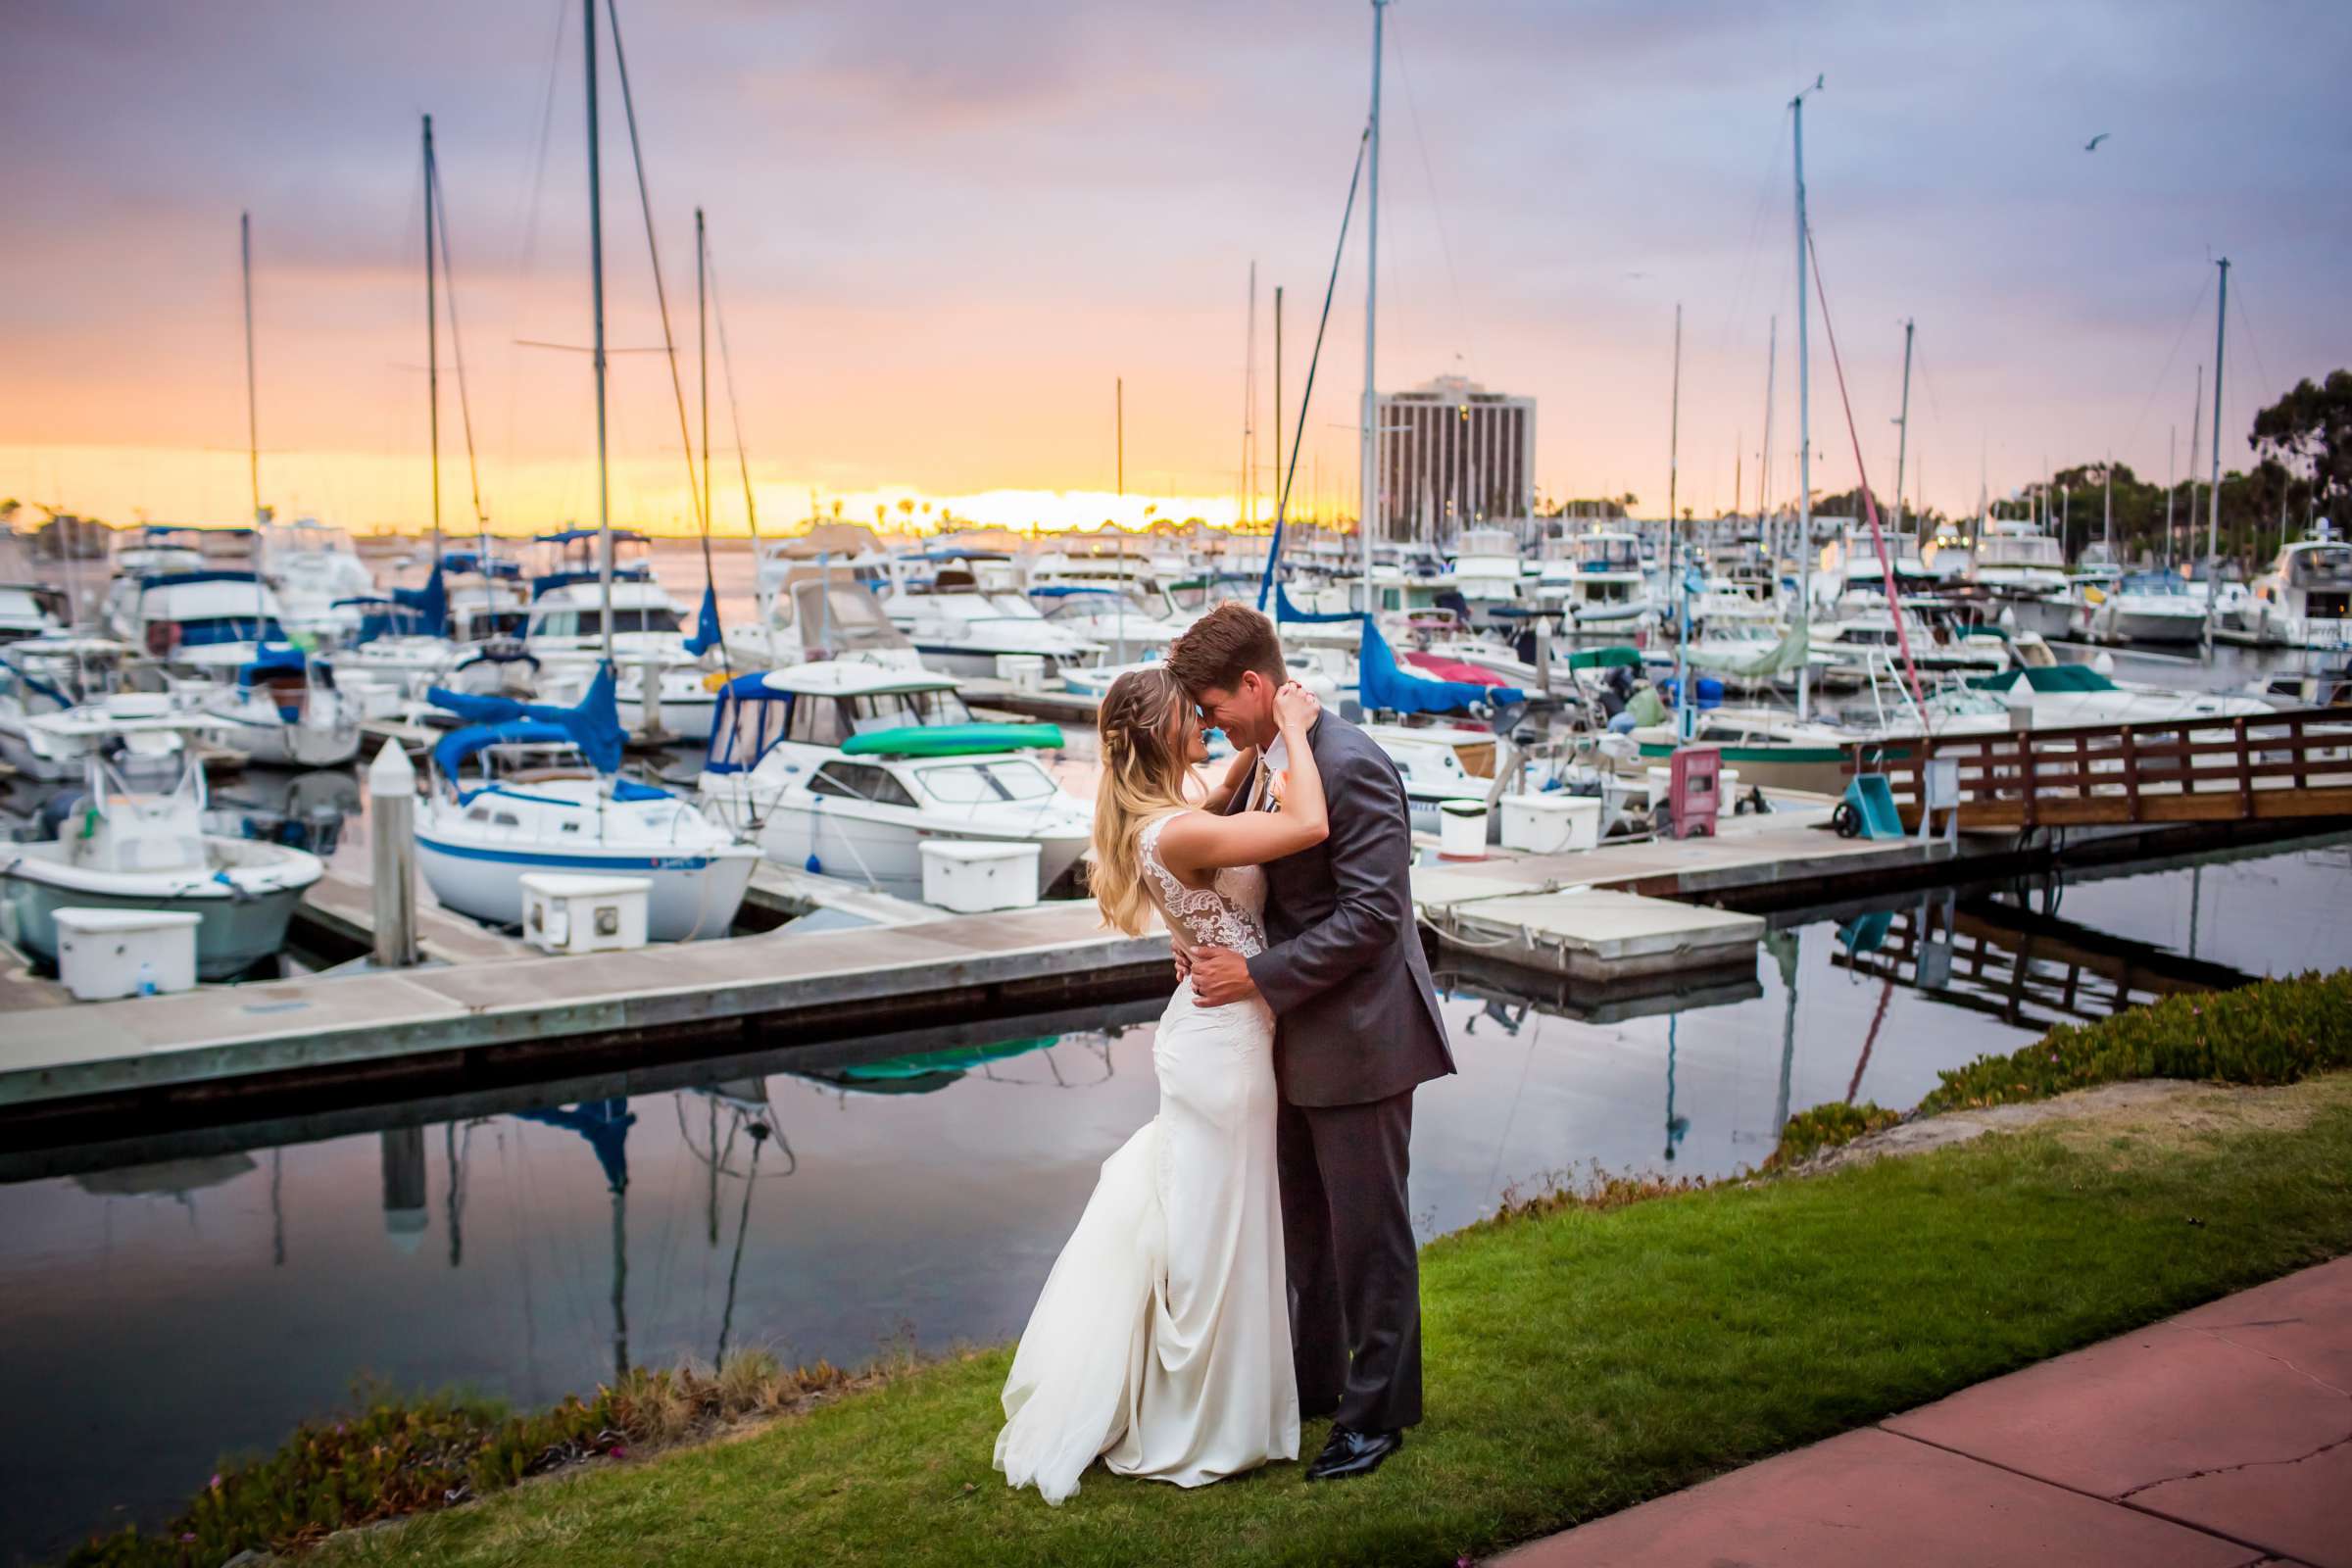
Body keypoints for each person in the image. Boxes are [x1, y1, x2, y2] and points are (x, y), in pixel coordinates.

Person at [994, 662, 1327, 1504]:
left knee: (1213, 1224)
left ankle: (1218, 1399)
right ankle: (1203, 1416)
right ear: (1160, 732)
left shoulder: (1169, 821)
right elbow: (1310, 823)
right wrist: (1290, 724)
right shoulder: (1175, 833)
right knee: (1220, 1234)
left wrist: (1250, 750)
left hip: (1214, 1031)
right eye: (1194, 714)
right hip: (1226, 1048)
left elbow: (1223, 807)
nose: (1206, 721)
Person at [1169, 602, 1455, 1483]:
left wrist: (1255, 977)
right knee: (1310, 1233)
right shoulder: (1267, 760)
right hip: (1291, 1035)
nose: (1210, 724)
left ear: (1255, 685)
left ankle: (1377, 1417)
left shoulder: (1351, 765)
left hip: (1363, 1037)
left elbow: (1373, 917)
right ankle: (1321, 1385)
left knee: (1370, 1236)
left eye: (1215, 707)